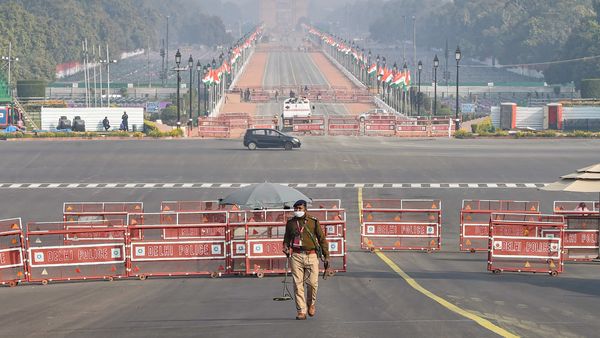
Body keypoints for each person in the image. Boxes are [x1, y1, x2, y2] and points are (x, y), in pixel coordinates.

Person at [283, 200, 329, 320]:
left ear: (305, 209)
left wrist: (326, 255)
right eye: (295, 209)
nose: (297, 211)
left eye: (299, 208)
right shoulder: (291, 223)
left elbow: (322, 239)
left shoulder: (313, 221)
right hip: (296, 256)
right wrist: (285, 248)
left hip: (312, 255)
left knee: (313, 283)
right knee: (298, 285)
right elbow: (286, 239)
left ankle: (311, 303)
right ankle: (301, 311)